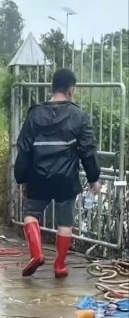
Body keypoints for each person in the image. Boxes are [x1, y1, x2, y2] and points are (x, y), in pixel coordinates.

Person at [14, 68, 101, 278]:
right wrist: (93, 179)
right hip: (66, 178)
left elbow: (24, 147)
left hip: (38, 176)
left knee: (30, 214)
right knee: (65, 222)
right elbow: (88, 150)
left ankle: (37, 253)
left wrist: (21, 177)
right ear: (71, 90)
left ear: (53, 88)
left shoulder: (34, 113)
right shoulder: (78, 115)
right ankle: (60, 266)